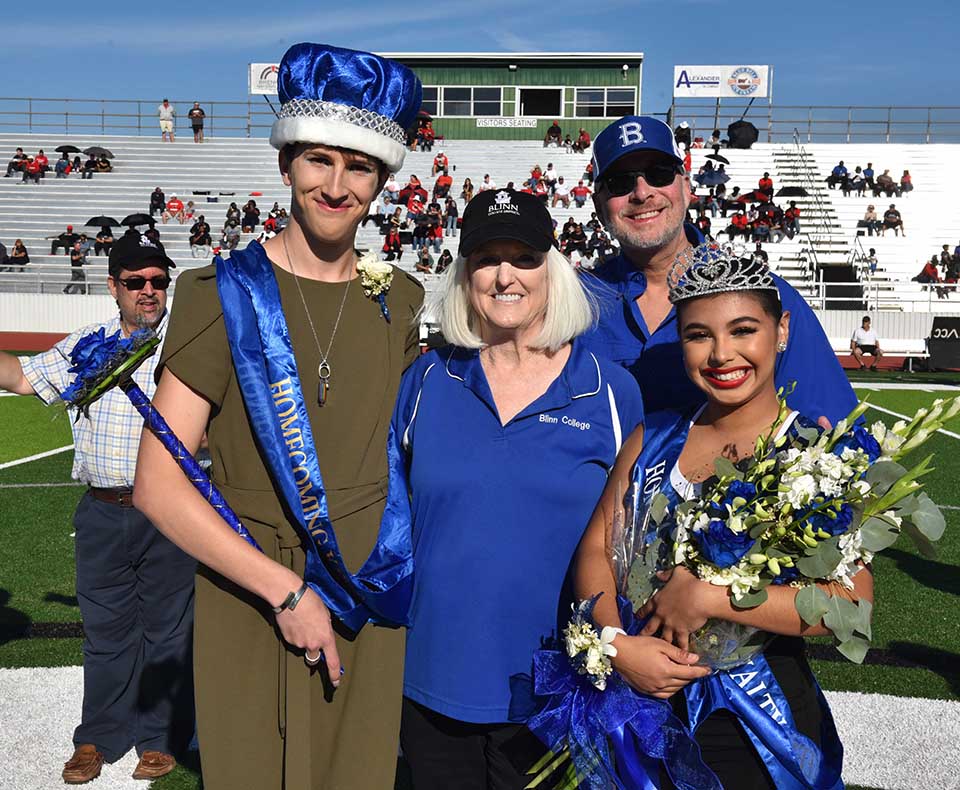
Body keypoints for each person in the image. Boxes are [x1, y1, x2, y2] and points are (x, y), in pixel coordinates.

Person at [131, 42, 424, 790]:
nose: (336, 184)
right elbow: (158, 487)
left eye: (359, 166)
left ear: (383, 177)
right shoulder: (215, 292)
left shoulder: (403, 299)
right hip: (250, 591)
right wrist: (283, 591)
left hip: (366, 585)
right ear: (286, 161)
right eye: (318, 160)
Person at [575, 245, 865, 790]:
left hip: (758, 717)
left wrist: (711, 598)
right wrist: (617, 643)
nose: (721, 354)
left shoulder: (812, 454)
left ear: (781, 330)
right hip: (638, 701)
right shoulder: (653, 436)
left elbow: (850, 605)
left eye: (743, 330)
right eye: (698, 335)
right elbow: (596, 549)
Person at [398, 188, 646, 789]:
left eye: (524, 257)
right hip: (429, 680)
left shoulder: (612, 393)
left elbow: (634, 551)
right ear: (465, 273)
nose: (505, 275)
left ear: (552, 269)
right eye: (486, 257)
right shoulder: (425, 379)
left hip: (561, 688)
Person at [0, 233, 193, 784]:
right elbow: (20, 376)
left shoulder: (187, 342)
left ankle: (159, 737)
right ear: (113, 286)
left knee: (169, 629)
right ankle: (99, 736)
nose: (149, 291)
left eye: (159, 280)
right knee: (106, 630)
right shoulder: (88, 341)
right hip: (104, 510)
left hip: (174, 511)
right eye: (135, 281)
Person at [579, 115, 856, 423]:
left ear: (686, 188)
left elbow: (833, 431)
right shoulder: (568, 303)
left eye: (659, 174)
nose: (642, 193)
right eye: (620, 182)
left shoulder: (766, 294)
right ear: (598, 205)